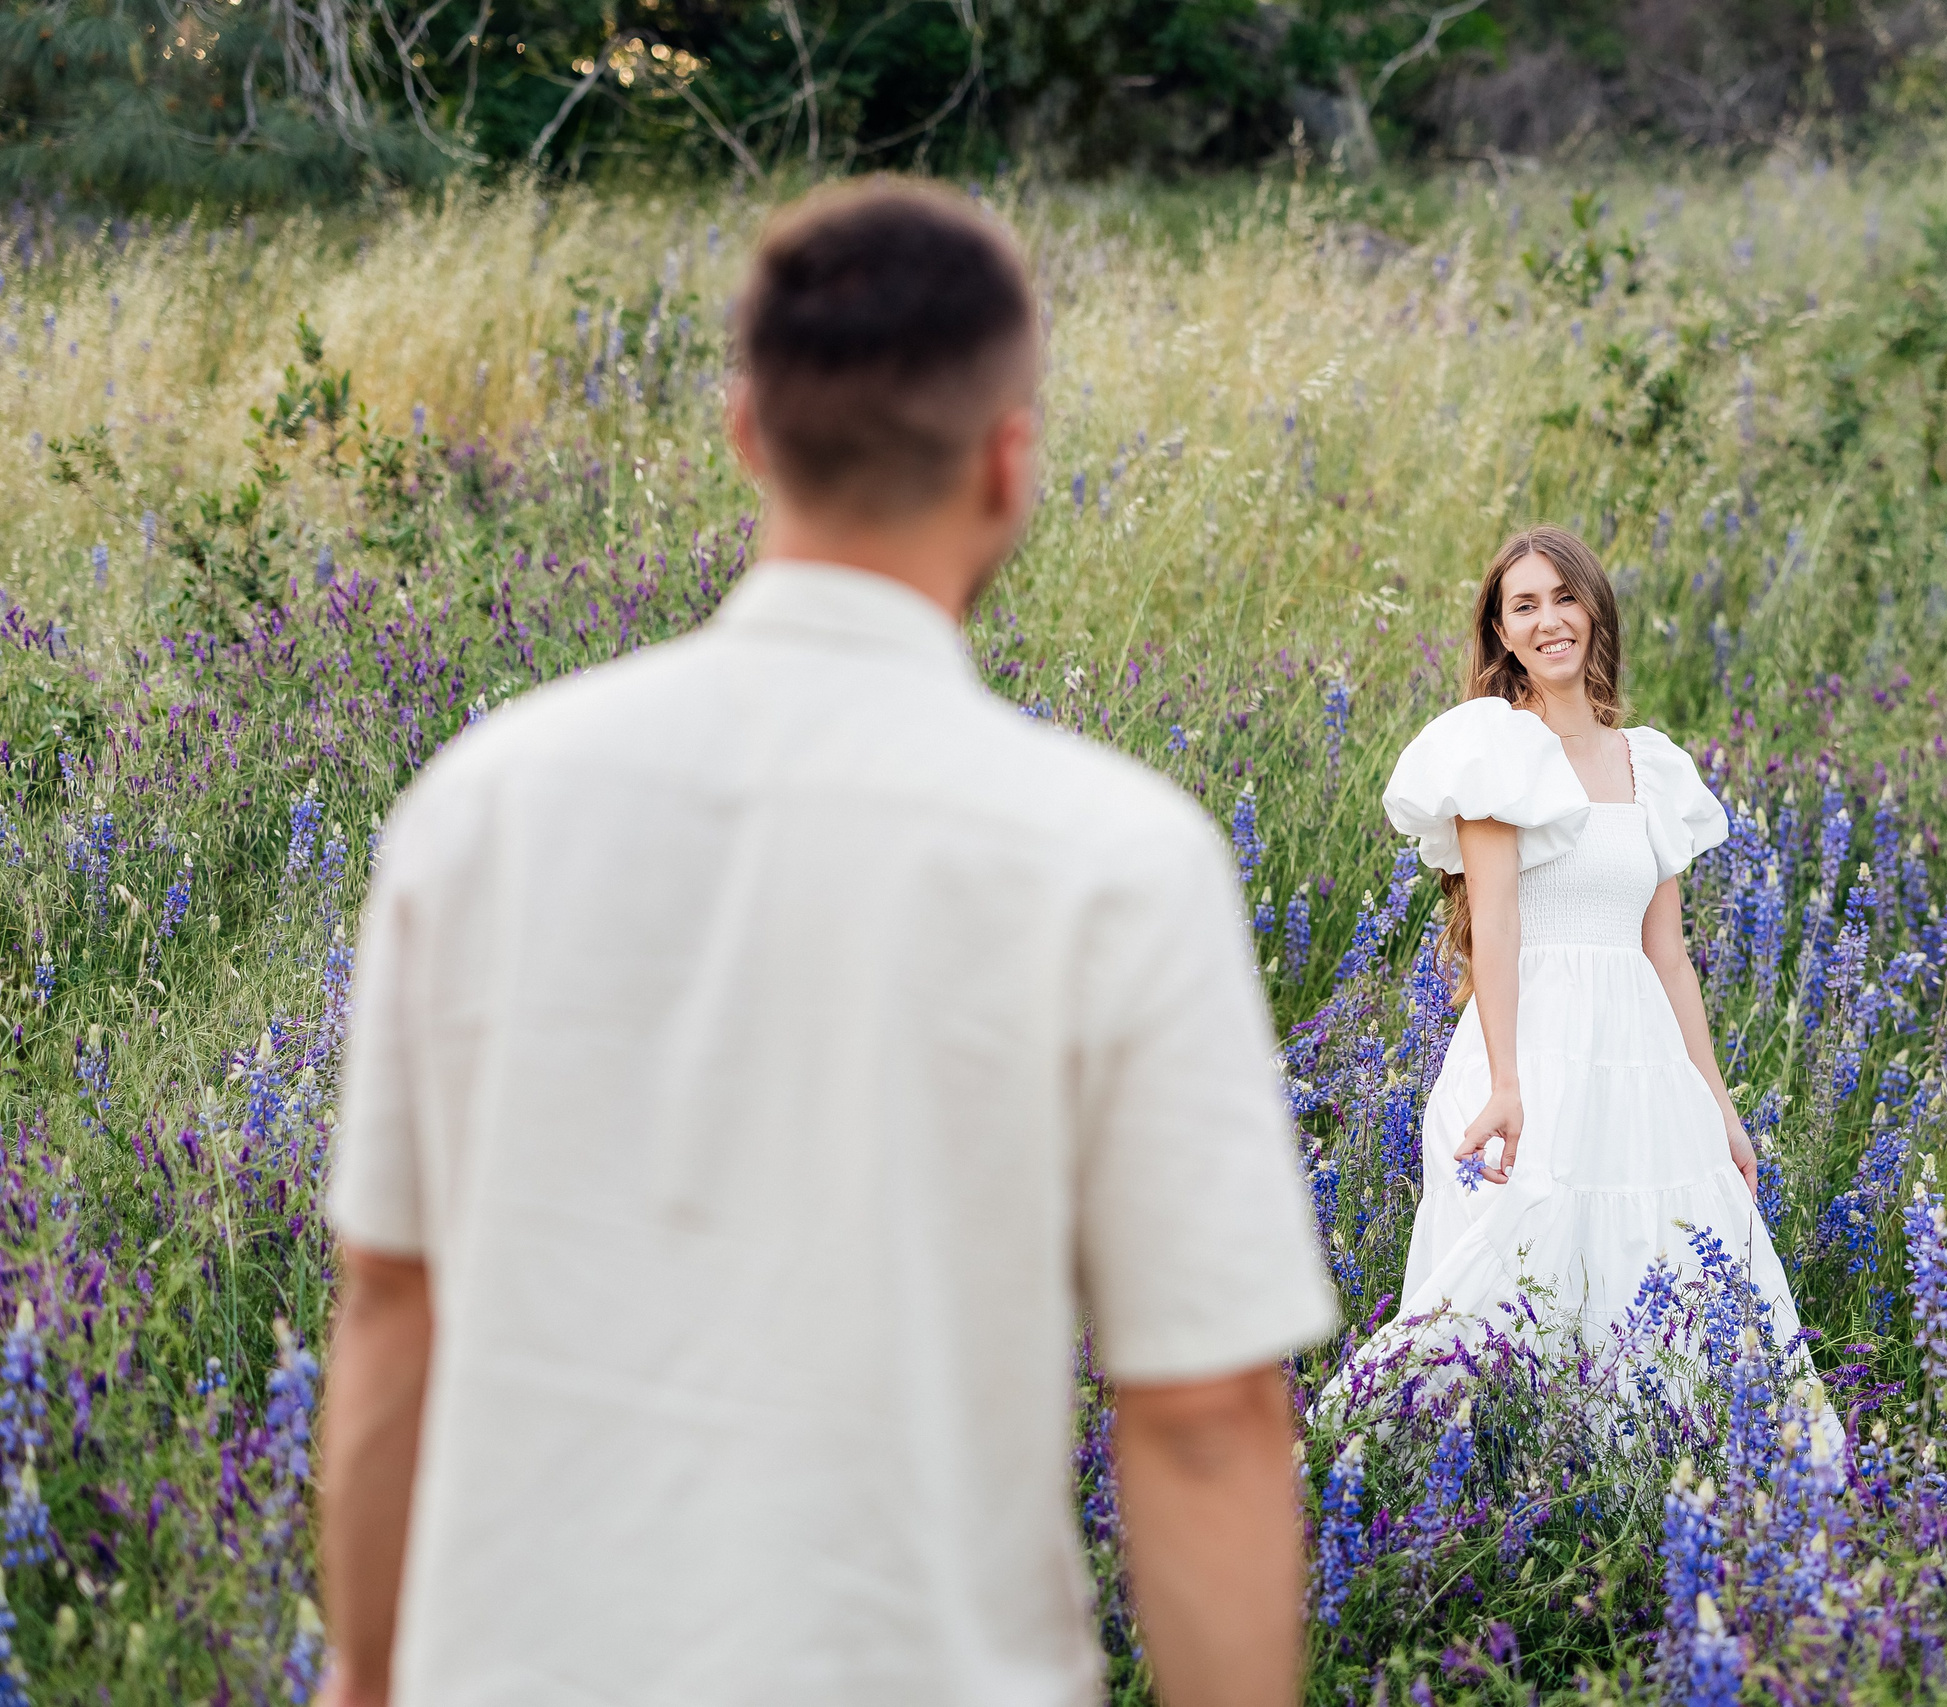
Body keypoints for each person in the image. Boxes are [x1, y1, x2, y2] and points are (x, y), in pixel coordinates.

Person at [316, 180, 1337, 1707]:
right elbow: (1201, 1413)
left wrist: (366, 1673)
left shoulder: (483, 802)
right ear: (1010, 459)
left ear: (746, 430)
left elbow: (392, 1303)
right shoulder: (1115, 857)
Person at [1379, 525, 1812, 1361]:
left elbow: (1670, 957)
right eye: (1525, 605)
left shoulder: (1648, 765)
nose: (1550, 620)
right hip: (1530, 1055)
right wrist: (1506, 1084)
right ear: (1501, 632)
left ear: (1595, 609)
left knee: (1663, 1271)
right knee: (1509, 1292)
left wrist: (1719, 1105)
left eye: (1566, 596)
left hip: (1641, 1063)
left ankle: (1651, 1484)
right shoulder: (1495, 750)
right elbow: (1496, 926)